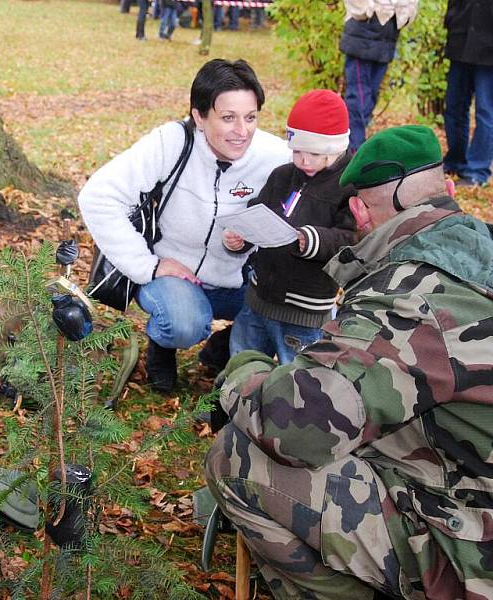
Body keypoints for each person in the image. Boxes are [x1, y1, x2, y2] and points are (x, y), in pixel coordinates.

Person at [205, 124, 493, 599]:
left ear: (358, 208)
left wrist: (243, 372)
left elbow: (294, 427)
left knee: (236, 457)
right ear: (446, 191)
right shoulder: (475, 251)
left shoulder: (411, 296)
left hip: (471, 553)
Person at [78, 59, 290, 392]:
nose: (242, 131)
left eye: (250, 118)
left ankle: (230, 341)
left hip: (241, 282)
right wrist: (150, 264)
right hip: (176, 277)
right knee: (184, 322)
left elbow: (322, 189)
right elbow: (97, 197)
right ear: (199, 116)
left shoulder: (276, 156)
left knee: (293, 306)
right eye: (228, 118)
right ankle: (163, 344)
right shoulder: (172, 143)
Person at [224, 90, 356, 365]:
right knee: (242, 359)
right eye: (297, 151)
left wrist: (311, 239)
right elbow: (259, 213)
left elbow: (352, 239)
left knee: (296, 375)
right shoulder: (282, 176)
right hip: (259, 299)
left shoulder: (350, 188)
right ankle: (229, 406)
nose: (303, 161)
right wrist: (242, 237)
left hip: (305, 312)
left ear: (337, 148)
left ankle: (281, 409)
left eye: (315, 153)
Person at [340, 0, 419, 151]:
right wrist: (369, 9)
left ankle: (354, 143)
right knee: (358, 95)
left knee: (371, 95)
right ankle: (354, 147)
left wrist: (404, 13)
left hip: (388, 35)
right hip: (361, 30)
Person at [442, 0, 492, 187]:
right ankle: (455, 161)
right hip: (460, 41)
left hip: (489, 51)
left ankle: (476, 171)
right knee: (454, 107)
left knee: (486, 112)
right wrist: (452, 20)